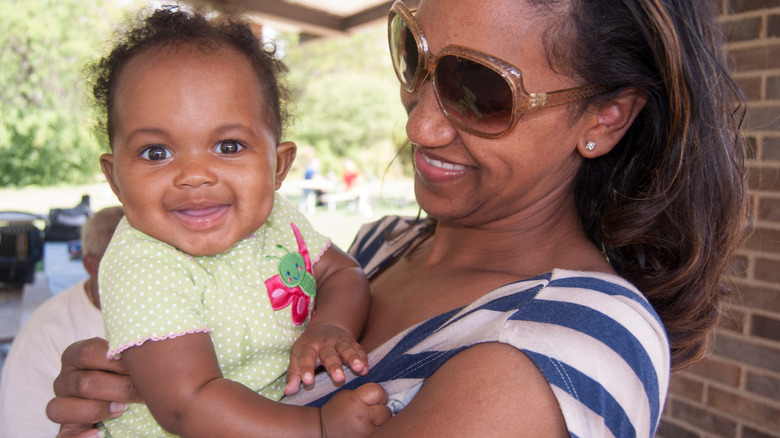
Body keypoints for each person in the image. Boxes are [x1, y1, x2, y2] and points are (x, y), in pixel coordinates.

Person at [46, 0, 750, 437]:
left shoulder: (576, 338)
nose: (418, 122)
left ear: (604, 117)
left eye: (479, 90)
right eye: (414, 54)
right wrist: (131, 390)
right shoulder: (382, 245)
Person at [64, 7, 390, 438]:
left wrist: (331, 326)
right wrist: (318, 427)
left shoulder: (276, 217)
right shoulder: (142, 263)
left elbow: (342, 271)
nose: (195, 175)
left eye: (229, 145)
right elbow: (190, 403)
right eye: (156, 152)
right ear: (114, 178)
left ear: (279, 166)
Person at [0, 206, 123, 437]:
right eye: (124, 261)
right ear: (91, 266)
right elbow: (20, 426)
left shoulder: (185, 309)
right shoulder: (45, 332)